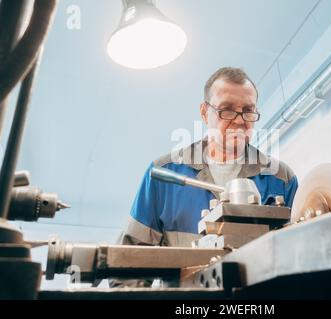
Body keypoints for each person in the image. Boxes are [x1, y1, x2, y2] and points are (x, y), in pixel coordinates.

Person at [111, 67, 298, 287]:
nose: (239, 121)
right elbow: (127, 268)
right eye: (226, 110)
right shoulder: (164, 175)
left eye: (248, 110)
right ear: (204, 112)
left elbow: (301, 257)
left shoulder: (280, 178)